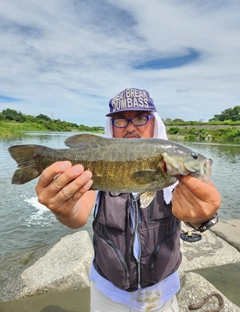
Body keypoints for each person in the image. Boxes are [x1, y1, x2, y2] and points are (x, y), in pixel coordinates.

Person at [35, 88, 221, 312]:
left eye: (141, 118)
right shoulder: (96, 166)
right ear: (111, 127)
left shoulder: (177, 177)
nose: (131, 127)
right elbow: (77, 216)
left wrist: (204, 217)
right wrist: (62, 210)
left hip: (161, 292)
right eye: (120, 121)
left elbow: (193, 218)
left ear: (155, 122)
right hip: (108, 292)